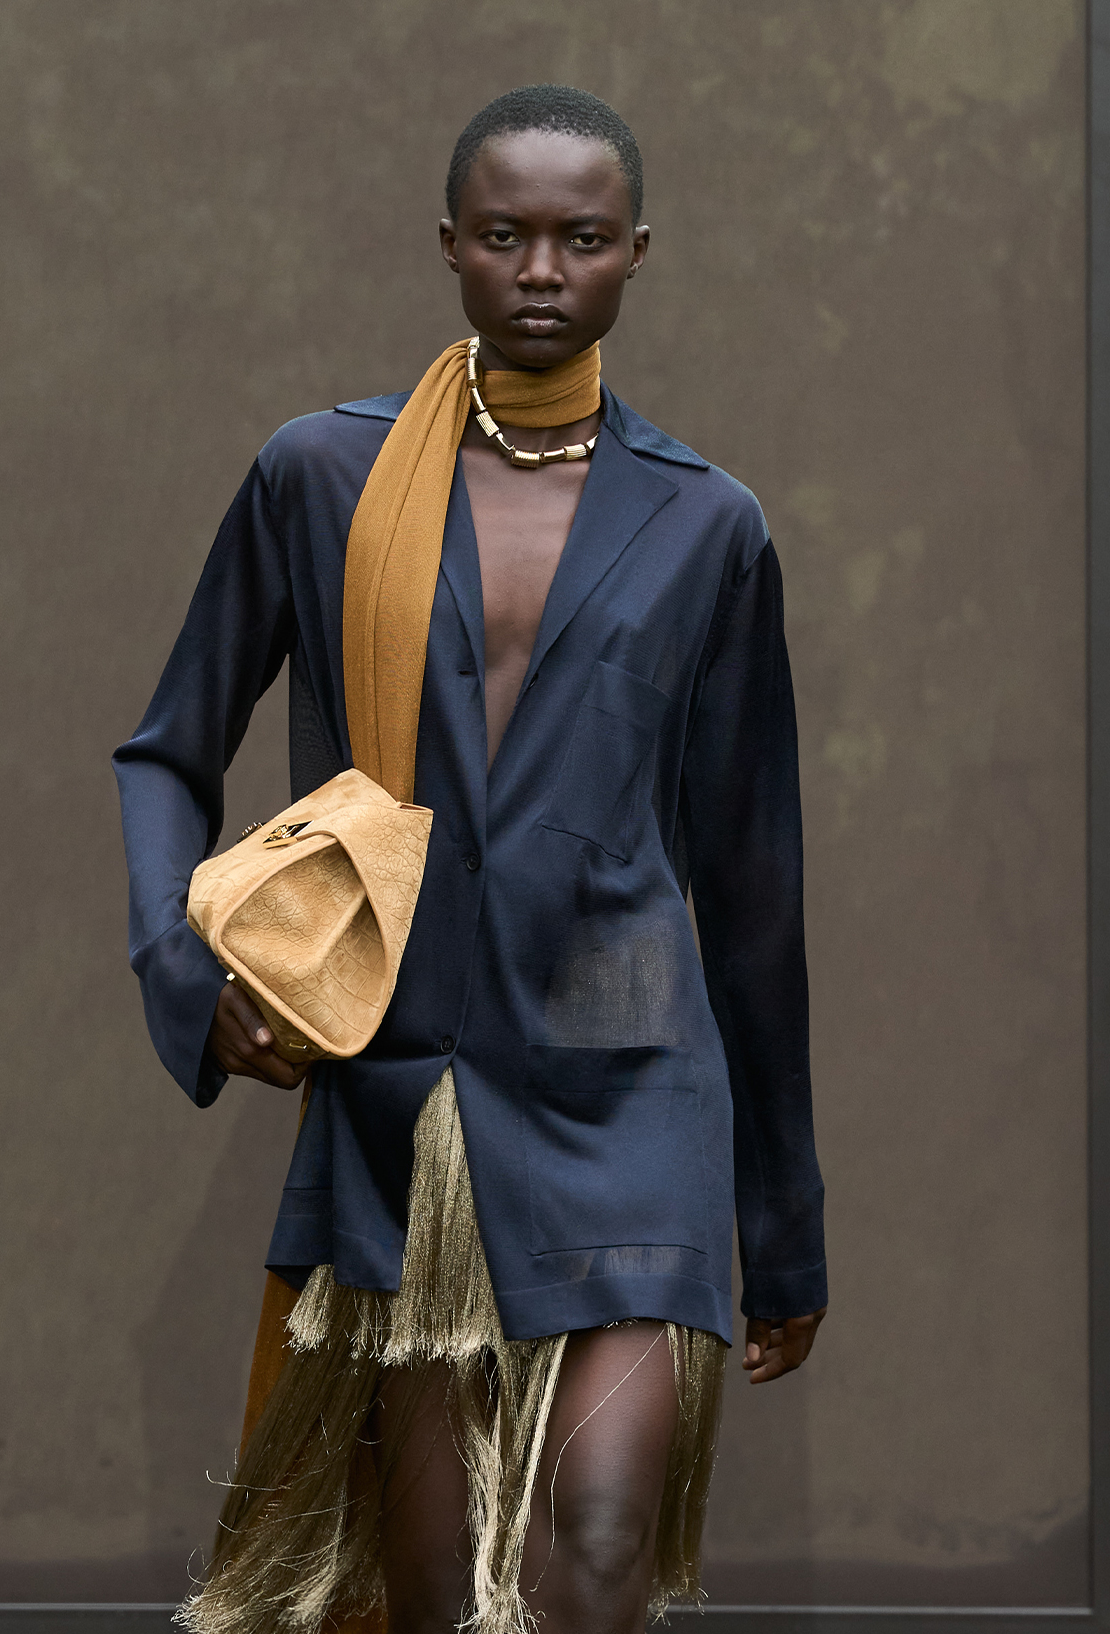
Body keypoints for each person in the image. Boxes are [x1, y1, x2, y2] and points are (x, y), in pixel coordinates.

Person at [114, 84, 826, 1634]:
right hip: (408, 1103)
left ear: (637, 252)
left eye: (583, 238)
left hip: (633, 1092)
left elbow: (751, 891)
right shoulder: (320, 475)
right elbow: (168, 752)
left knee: (599, 1537)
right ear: (450, 245)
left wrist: (783, 1224)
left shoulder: (710, 526)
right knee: (435, 1591)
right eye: (506, 234)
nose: (543, 269)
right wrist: (189, 975)